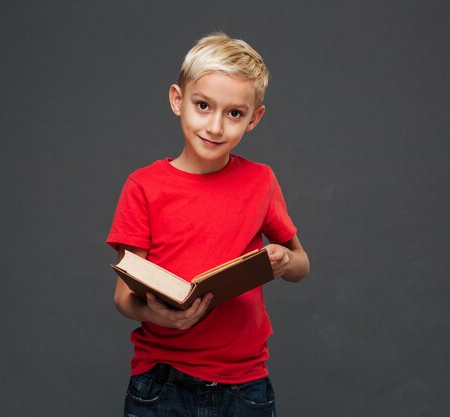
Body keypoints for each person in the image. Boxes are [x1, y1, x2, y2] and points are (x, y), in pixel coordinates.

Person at [106, 32, 309, 417]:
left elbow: (302, 265)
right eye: (203, 106)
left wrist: (283, 259)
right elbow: (122, 296)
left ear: (254, 118)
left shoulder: (261, 181)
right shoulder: (143, 186)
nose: (215, 127)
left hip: (245, 383)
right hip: (162, 382)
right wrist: (159, 315)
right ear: (177, 100)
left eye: (234, 113)